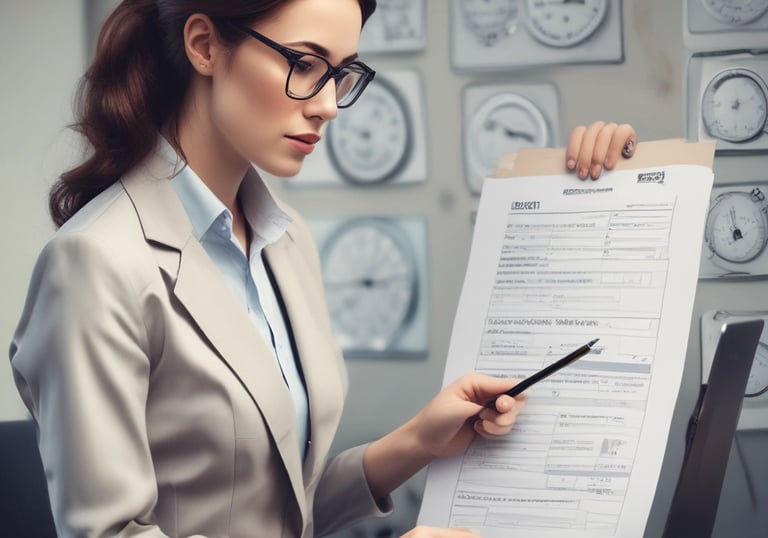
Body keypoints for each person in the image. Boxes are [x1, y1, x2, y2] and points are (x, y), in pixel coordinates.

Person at [8, 1, 637, 537]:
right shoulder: (93, 263)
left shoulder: (286, 237)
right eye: (305, 64)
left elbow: (281, 508)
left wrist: (417, 440)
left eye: (341, 74)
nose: (330, 105)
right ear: (204, 45)